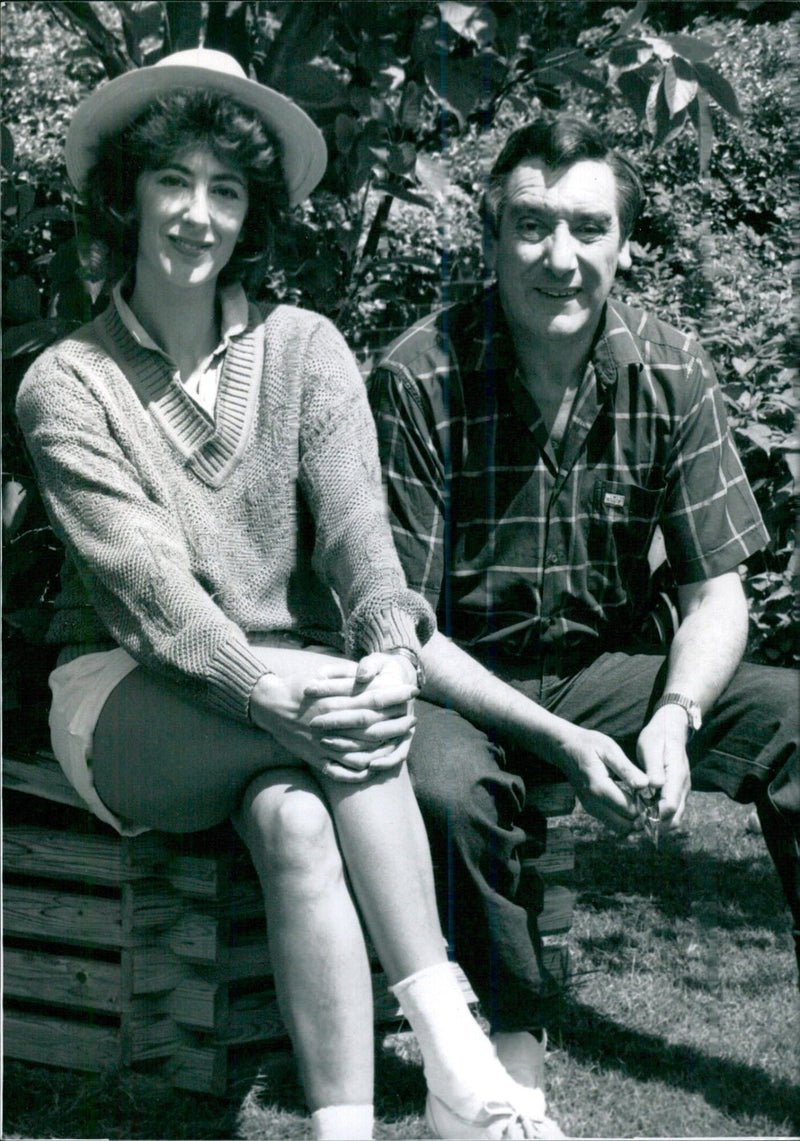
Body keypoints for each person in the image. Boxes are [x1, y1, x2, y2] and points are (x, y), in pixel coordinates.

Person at [16, 51, 567, 1141]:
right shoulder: (66, 383)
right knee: (344, 737)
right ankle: (460, 1062)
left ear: (252, 213)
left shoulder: (306, 347)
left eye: (226, 190)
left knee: (296, 818)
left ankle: (342, 1125)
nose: (196, 213)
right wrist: (284, 689)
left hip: (294, 699)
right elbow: (153, 600)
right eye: (172, 180)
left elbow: (363, 536)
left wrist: (380, 644)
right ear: (126, 195)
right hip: (127, 695)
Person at [368, 114, 799, 1095]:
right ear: (489, 239)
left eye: (586, 228)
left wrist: (675, 717)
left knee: (796, 721)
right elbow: (401, 627)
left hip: (597, 674)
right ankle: (509, 1039)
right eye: (529, 226)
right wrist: (557, 743)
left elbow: (714, 587)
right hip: (449, 681)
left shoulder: (669, 366)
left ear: (623, 242)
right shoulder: (418, 375)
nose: (558, 256)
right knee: (445, 787)